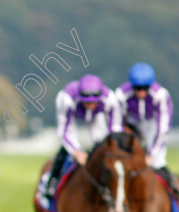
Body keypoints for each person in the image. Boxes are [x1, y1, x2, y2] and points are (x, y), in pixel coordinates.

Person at [45, 74, 122, 199]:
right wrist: (76, 152)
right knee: (67, 148)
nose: (90, 106)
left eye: (93, 103)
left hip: (97, 117)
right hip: (74, 116)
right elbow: (64, 131)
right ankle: (53, 180)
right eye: (87, 103)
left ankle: (105, 186)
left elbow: (115, 128)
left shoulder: (110, 99)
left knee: (102, 145)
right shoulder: (66, 99)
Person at [116, 62, 177, 195]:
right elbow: (118, 124)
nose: (141, 92)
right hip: (132, 125)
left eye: (145, 88)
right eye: (137, 88)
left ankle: (173, 193)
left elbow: (162, 128)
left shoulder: (160, 95)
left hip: (153, 126)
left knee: (157, 163)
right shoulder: (121, 94)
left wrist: (151, 155)